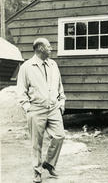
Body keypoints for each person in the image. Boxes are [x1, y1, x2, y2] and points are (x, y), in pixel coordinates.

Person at [17, 38, 66, 182]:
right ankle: (37, 171)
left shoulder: (53, 64)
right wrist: (27, 108)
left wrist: (61, 102)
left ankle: (49, 163)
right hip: (36, 109)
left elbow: (59, 85)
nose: (51, 49)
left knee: (59, 136)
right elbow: (21, 90)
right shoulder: (27, 67)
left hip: (53, 108)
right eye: (49, 46)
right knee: (36, 143)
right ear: (40, 48)